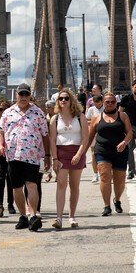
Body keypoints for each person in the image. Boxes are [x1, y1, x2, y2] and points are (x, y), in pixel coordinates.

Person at [0, 83, 50, 232]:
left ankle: (33, 215)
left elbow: (45, 135)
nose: (24, 97)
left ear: (30, 96)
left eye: (27, 94)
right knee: (17, 188)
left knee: (32, 184)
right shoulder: (8, 113)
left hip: (32, 156)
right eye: (21, 94)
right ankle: (23, 216)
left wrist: (47, 156)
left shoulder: (38, 112)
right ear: (16, 95)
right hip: (13, 155)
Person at [49, 88, 89, 228]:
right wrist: (54, 159)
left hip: (76, 152)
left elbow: (85, 138)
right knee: (61, 183)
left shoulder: (80, 116)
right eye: (61, 99)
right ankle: (59, 217)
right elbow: (52, 140)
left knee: (74, 185)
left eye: (66, 98)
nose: (63, 101)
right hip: (61, 153)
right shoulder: (55, 119)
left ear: (71, 100)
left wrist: (79, 154)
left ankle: (72, 216)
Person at [88, 92, 132, 216]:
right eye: (107, 102)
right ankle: (106, 206)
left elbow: (129, 133)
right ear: (103, 103)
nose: (110, 104)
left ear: (116, 103)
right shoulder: (97, 117)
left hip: (120, 151)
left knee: (120, 181)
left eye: (112, 102)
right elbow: (90, 137)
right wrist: (80, 153)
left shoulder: (123, 116)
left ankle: (117, 200)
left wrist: (124, 142)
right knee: (104, 176)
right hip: (102, 151)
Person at [0, 101, 15, 217]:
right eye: (0, 109)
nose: (2, 111)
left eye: (5, 109)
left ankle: (11, 204)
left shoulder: (13, 122)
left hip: (11, 154)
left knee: (11, 181)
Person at [85, 92, 103, 184]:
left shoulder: (106, 108)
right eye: (96, 103)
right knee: (93, 154)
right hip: (93, 133)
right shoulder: (92, 109)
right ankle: (95, 174)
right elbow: (86, 120)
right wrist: (94, 122)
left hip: (104, 134)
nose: (97, 105)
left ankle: (104, 173)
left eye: (99, 103)